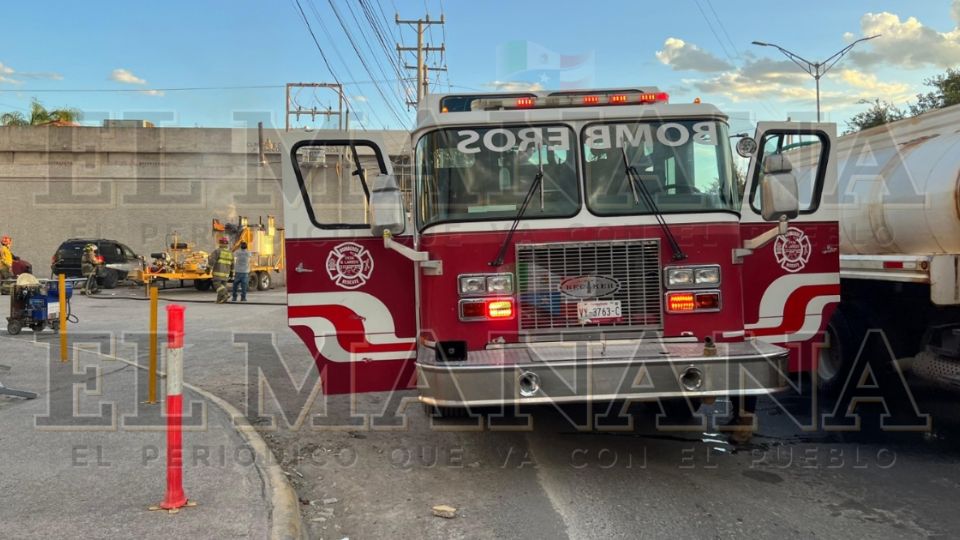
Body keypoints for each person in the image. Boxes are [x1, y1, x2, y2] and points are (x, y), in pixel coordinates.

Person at [208, 237, 234, 304]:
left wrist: (208, 269)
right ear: (227, 244)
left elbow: (211, 260)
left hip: (218, 273)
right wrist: (232, 274)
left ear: (220, 243)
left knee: (217, 285)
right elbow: (233, 264)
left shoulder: (217, 251)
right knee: (222, 286)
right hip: (226, 274)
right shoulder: (230, 253)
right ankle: (220, 300)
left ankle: (226, 294)